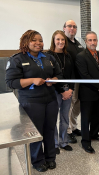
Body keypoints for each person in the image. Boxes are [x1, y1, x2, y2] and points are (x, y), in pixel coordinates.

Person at [6, 30, 63, 172]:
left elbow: (59, 74)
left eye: (40, 40)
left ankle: (50, 157)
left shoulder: (48, 57)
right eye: (34, 40)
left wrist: (54, 80)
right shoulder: (17, 59)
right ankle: (37, 160)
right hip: (31, 102)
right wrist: (32, 80)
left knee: (50, 129)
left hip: (50, 99)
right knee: (34, 132)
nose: (38, 43)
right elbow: (11, 82)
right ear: (26, 42)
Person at [76, 31, 99, 154]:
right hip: (87, 92)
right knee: (86, 118)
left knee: (96, 116)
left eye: (94, 40)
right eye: (90, 40)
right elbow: (84, 75)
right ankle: (85, 142)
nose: (93, 42)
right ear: (85, 41)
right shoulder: (81, 56)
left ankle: (94, 134)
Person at [46, 30, 75, 154]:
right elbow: (50, 75)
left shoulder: (68, 56)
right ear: (53, 40)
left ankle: (64, 141)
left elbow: (72, 74)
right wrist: (62, 91)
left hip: (68, 91)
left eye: (63, 39)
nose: (61, 42)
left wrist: (70, 89)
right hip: (54, 91)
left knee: (64, 117)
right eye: (58, 39)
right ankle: (55, 143)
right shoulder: (47, 56)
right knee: (53, 117)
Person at [63, 20, 84, 143]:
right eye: (69, 26)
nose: (72, 28)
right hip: (70, 80)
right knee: (69, 105)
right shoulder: (63, 43)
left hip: (80, 79)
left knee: (77, 105)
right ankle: (68, 130)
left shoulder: (78, 43)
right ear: (64, 28)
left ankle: (74, 127)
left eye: (74, 27)